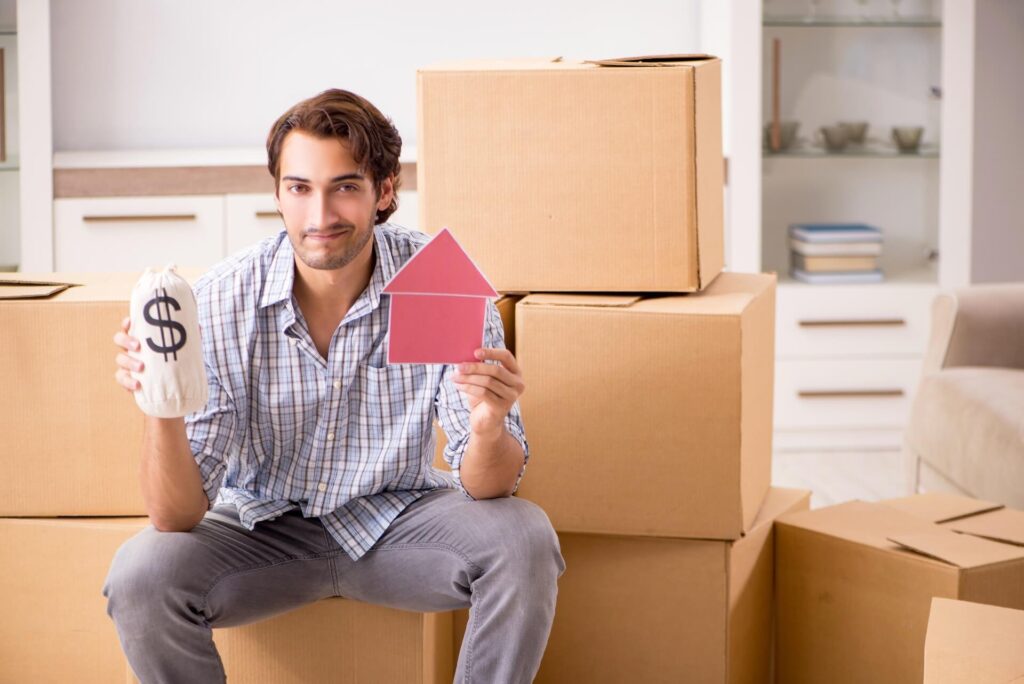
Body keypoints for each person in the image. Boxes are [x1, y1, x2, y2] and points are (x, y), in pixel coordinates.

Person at [104, 88, 565, 683]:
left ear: (385, 190)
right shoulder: (220, 299)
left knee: (524, 538)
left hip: (398, 527)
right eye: (299, 188)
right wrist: (160, 399)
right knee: (141, 572)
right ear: (277, 193)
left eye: (344, 187)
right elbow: (176, 517)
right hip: (260, 534)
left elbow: (488, 486)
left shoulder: (435, 281)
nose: (319, 216)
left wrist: (486, 428)